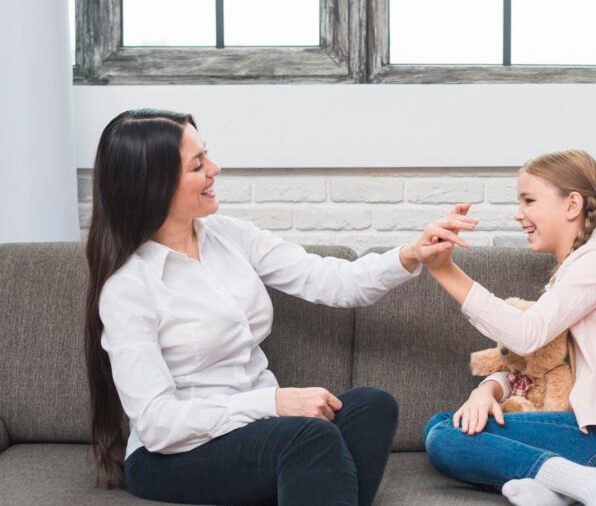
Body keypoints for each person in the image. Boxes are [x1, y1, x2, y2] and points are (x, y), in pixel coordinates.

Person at [84, 109, 476, 506]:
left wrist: (412, 253)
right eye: (197, 165)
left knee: (373, 407)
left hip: (264, 434)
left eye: (208, 155)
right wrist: (272, 403)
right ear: (154, 184)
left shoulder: (230, 236)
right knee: (311, 440)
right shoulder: (129, 287)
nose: (215, 169)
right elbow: (157, 424)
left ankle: (308, 487)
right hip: (172, 455)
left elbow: (331, 280)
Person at [422, 150, 596, 506]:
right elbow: (538, 366)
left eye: (529, 200)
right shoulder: (567, 278)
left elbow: (525, 334)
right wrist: (488, 389)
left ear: (572, 205)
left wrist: (445, 271)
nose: (519, 214)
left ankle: (577, 483)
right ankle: (563, 486)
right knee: (443, 428)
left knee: (444, 432)